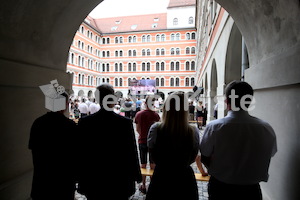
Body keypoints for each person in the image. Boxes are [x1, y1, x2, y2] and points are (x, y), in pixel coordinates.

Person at [200, 81, 277, 200]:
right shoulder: (266, 128)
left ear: (226, 101)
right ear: (249, 101)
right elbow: (270, 153)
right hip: (251, 191)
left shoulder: (214, 127)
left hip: (221, 188)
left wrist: (220, 169)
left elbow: (204, 156)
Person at [77, 84, 142, 200]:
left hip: (94, 178)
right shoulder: (124, 123)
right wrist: (136, 175)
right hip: (119, 178)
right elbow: (131, 151)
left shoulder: (85, 122)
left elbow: (80, 152)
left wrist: (79, 177)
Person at [146, 92, 199, 200]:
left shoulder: (156, 128)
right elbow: (193, 156)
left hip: (162, 176)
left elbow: (152, 153)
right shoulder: (193, 130)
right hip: (184, 178)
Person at [28, 93, 77, 200]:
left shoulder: (38, 123)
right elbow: (74, 156)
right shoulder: (70, 126)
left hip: (41, 181)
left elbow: (34, 151)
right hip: (63, 183)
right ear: (65, 105)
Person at [134, 96, 160, 194]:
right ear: (153, 104)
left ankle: (143, 184)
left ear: (145, 103)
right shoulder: (156, 115)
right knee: (153, 164)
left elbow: (137, 129)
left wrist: (142, 134)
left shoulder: (139, 114)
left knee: (143, 164)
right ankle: (152, 184)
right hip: (154, 143)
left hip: (142, 141)